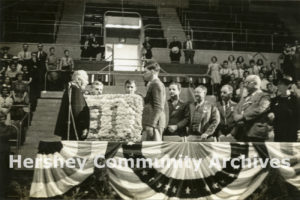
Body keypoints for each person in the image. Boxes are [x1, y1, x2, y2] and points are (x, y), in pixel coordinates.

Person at [233, 75, 272, 142]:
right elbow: (237, 107)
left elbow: (260, 109)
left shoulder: (264, 96)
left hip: (255, 132)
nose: (245, 85)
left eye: (247, 82)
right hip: (241, 131)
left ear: (254, 83)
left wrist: (243, 116)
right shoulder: (245, 97)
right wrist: (235, 116)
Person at [54, 70, 90, 140]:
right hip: (75, 129)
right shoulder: (75, 90)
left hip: (69, 128)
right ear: (79, 79)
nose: (87, 83)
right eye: (85, 80)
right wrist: (83, 127)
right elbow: (77, 111)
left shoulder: (70, 88)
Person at [142, 61, 168, 141]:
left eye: (145, 72)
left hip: (155, 124)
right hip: (153, 123)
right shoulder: (153, 83)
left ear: (152, 71)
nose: (143, 74)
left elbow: (158, 106)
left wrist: (151, 125)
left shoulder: (156, 84)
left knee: (154, 150)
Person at [270, 76, 300, 142]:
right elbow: (271, 111)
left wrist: (297, 129)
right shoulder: (275, 99)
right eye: (278, 84)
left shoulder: (294, 99)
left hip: (290, 130)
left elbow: (297, 115)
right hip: (278, 130)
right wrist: (271, 114)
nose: (278, 86)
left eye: (281, 84)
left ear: (288, 86)